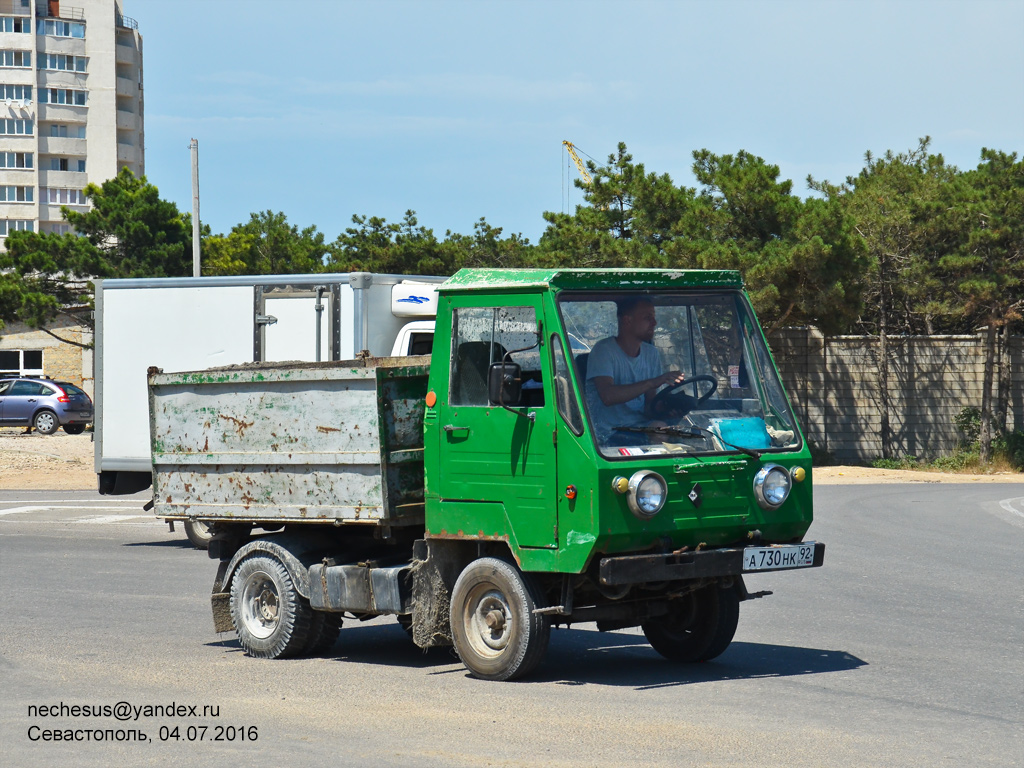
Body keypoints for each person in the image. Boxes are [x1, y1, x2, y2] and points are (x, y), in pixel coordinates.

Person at [585, 296, 685, 442]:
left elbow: (649, 406)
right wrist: (652, 383)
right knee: (661, 433)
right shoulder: (604, 351)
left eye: (654, 317)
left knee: (685, 433)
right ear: (627, 320)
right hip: (608, 434)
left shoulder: (651, 353)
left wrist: (665, 408)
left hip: (641, 426)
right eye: (647, 318)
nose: (654, 323)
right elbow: (607, 396)